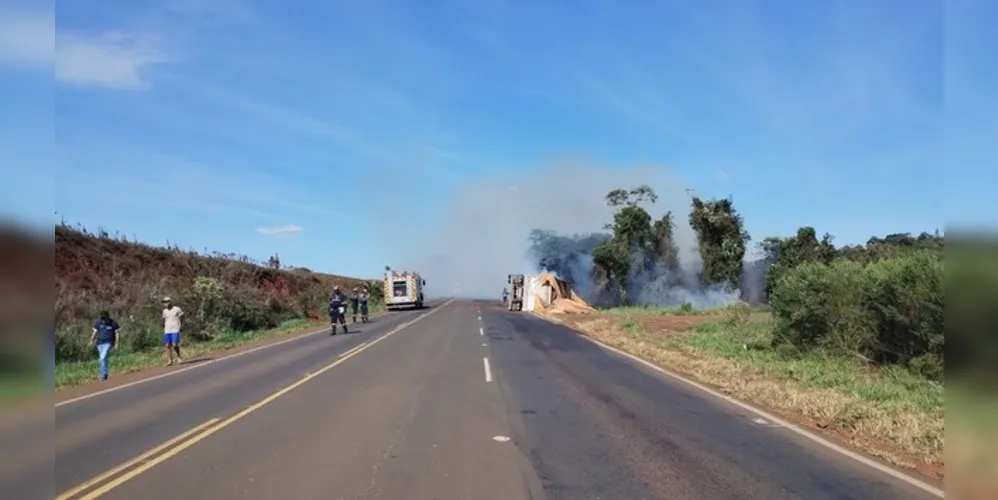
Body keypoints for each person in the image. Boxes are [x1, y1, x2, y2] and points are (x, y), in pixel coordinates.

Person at [90, 311, 120, 381]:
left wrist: (116, 343)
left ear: (108, 317)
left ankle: (102, 375)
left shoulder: (113, 323)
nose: (103, 320)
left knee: (102, 358)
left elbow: (117, 333)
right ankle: (106, 373)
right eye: (102, 319)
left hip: (108, 342)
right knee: (104, 359)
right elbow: (95, 332)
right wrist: (91, 340)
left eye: (104, 318)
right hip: (99, 343)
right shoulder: (98, 323)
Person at [161, 297, 184, 366]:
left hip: (175, 328)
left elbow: (182, 316)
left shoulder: (177, 309)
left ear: (170, 302)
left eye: (167, 302)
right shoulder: (164, 311)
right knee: (167, 345)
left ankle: (179, 357)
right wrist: (163, 326)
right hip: (167, 329)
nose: (165, 304)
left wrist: (181, 325)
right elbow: (164, 319)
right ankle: (170, 360)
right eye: (164, 302)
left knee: (174, 344)